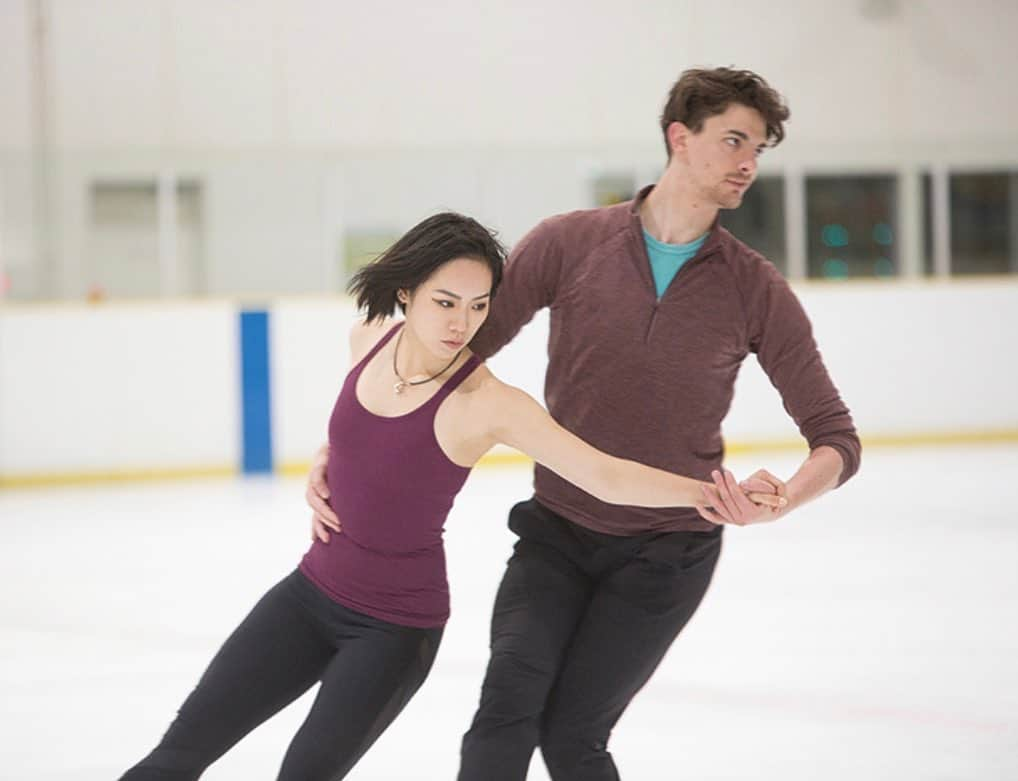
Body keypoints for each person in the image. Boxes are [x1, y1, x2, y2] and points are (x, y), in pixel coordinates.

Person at [304, 67, 863, 781]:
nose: (749, 163)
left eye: (758, 148)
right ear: (679, 137)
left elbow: (836, 436)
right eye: (733, 140)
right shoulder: (570, 243)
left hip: (668, 552)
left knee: (572, 737)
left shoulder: (755, 288)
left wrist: (786, 494)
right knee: (502, 716)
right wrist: (347, 441)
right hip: (556, 535)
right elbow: (443, 352)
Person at [119, 212, 784, 781]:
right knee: (174, 756)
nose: (463, 321)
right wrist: (325, 462)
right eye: (445, 301)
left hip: (392, 628)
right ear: (407, 293)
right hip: (306, 595)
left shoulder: (485, 403)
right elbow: (363, 439)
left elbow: (604, 475)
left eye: (479, 304)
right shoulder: (367, 339)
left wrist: (710, 494)